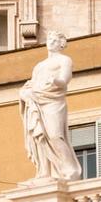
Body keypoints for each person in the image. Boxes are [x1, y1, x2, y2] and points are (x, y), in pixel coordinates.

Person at [20, 32, 80, 182]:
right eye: (49, 39)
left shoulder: (65, 60)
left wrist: (56, 81)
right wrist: (24, 93)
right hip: (36, 99)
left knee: (55, 135)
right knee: (40, 136)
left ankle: (70, 170)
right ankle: (44, 172)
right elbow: (31, 84)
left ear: (62, 44)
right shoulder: (39, 66)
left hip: (54, 100)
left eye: (55, 40)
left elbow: (65, 79)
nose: (51, 42)